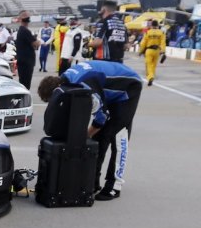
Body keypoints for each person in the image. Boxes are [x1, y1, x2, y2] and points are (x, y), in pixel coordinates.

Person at [37, 59, 143, 200]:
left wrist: (85, 136)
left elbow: (101, 116)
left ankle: (114, 186)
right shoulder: (66, 79)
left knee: (116, 135)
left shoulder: (84, 85)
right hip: (108, 87)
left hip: (129, 87)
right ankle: (92, 182)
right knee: (99, 137)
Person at [13, 12, 37, 89]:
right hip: (26, 61)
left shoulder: (21, 30)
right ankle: (24, 99)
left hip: (22, 60)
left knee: (23, 82)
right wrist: (39, 41)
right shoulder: (25, 31)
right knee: (25, 84)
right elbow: (35, 43)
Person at [139, 20, 166, 86]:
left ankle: (150, 77)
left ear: (151, 25)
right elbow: (163, 42)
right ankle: (152, 76)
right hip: (157, 51)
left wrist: (140, 51)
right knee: (154, 65)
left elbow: (143, 43)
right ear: (157, 25)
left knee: (148, 64)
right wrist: (163, 51)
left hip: (149, 50)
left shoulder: (148, 32)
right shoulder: (161, 33)